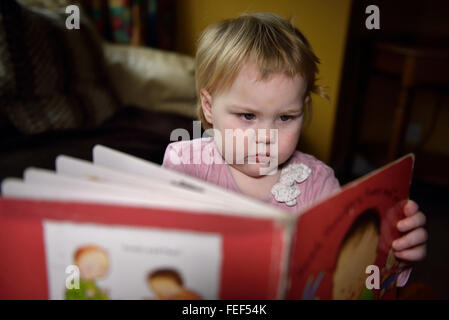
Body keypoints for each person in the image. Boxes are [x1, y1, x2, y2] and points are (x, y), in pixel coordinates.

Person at [162, 12, 427, 288]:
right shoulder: (185, 164)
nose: (266, 137)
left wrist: (394, 250)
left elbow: (349, 275)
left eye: (285, 117)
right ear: (208, 106)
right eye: (247, 116)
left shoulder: (317, 184)